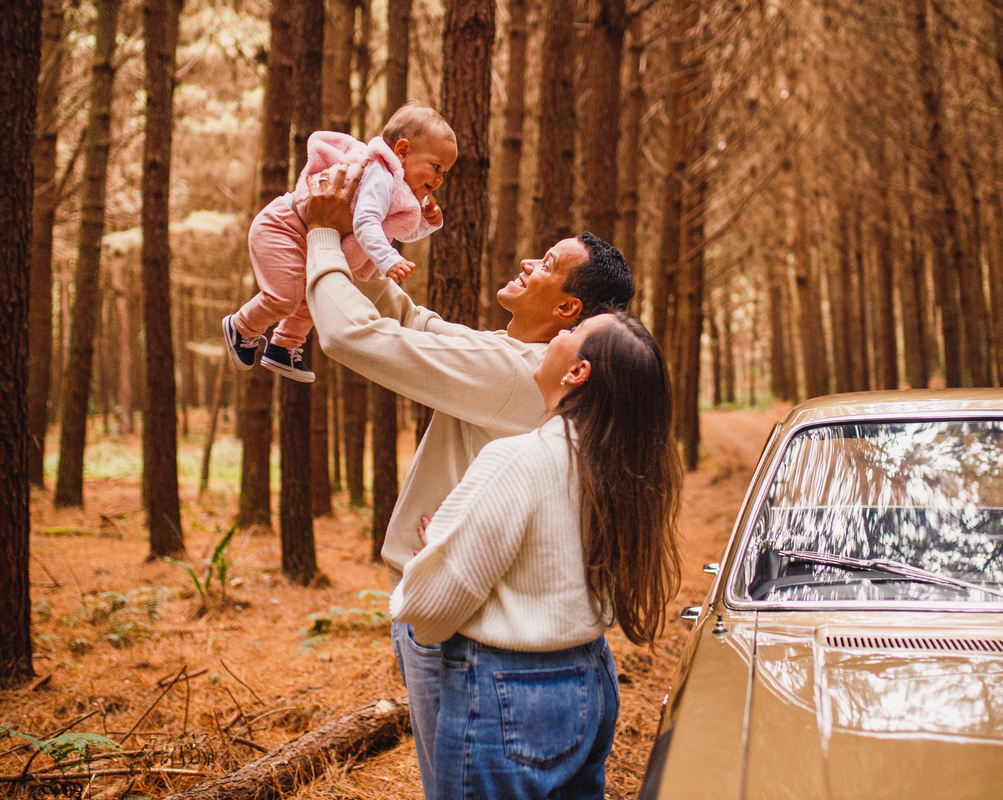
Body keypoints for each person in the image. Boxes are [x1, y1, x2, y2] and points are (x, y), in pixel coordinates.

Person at [300, 163, 635, 798]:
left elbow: (350, 336)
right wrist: (361, 239)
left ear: (567, 308)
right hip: (551, 652)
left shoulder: (517, 374)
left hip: (468, 633)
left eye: (547, 263)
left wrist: (320, 237)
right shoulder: (518, 362)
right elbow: (414, 322)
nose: (529, 261)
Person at [390, 310, 682, 800]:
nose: (560, 333)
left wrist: (432, 552)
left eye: (574, 332)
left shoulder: (516, 458)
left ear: (578, 372)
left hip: (505, 693)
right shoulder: (618, 472)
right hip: (591, 679)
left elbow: (431, 608)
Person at [222, 102, 457, 383]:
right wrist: (389, 260)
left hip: (307, 236)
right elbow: (366, 223)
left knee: (313, 294)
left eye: (445, 173)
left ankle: (284, 346)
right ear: (403, 151)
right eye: (436, 167)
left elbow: (394, 230)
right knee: (285, 297)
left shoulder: (398, 188)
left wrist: (427, 222)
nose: (439, 179)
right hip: (284, 226)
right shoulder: (380, 175)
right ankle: (241, 326)